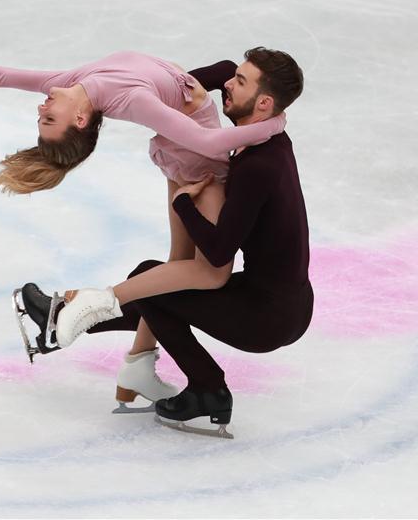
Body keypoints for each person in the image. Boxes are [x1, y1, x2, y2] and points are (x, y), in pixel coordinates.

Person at [0, 49, 286, 406]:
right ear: (80, 119)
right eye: (49, 119)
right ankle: (87, 307)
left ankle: (137, 365)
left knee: (175, 270)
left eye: (42, 118)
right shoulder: (131, 100)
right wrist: (271, 126)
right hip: (201, 171)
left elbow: (0, 76)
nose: (40, 109)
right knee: (208, 272)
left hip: (180, 159)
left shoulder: (68, 84)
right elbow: (211, 144)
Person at [58, 49, 313, 437]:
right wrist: (179, 95)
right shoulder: (264, 138)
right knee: (159, 285)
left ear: (264, 104)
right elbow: (213, 74)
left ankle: (208, 389)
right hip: (280, 297)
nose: (227, 84)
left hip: (267, 318)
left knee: (153, 283)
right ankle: (90, 329)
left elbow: (217, 252)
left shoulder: (258, 166)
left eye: (240, 83)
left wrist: (183, 205)